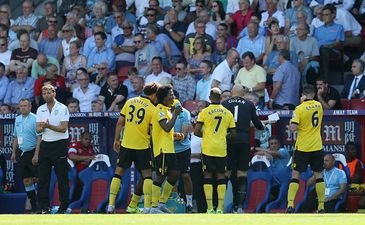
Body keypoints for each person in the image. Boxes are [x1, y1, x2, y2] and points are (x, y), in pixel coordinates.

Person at [107, 82, 160, 214]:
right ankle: (147, 207)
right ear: (154, 94)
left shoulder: (130, 101)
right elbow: (153, 130)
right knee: (147, 176)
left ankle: (111, 205)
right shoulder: (153, 109)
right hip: (142, 146)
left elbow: (120, 122)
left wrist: (116, 139)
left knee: (118, 173)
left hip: (126, 144)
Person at [222, 84, 264, 213]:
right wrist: (263, 126)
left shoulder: (224, 103)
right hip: (243, 141)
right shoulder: (249, 104)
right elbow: (257, 124)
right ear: (243, 93)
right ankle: (239, 206)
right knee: (242, 173)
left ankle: (219, 205)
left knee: (227, 172)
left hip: (228, 139)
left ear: (232, 92)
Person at [194, 88, 236, 214]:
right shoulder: (228, 113)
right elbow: (233, 133)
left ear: (210, 97)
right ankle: (220, 208)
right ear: (220, 97)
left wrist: (207, 136)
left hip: (208, 149)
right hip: (221, 149)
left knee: (207, 175)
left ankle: (210, 208)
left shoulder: (204, 112)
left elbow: (196, 131)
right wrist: (222, 136)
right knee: (221, 176)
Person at [286, 84, 325, 213]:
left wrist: (292, 121)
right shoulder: (319, 106)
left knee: (295, 175)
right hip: (317, 145)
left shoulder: (299, 109)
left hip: (302, 147)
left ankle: (290, 205)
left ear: (302, 95)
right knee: (318, 175)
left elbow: (293, 128)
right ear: (313, 94)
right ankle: (321, 206)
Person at [36, 84, 70, 214]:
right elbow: (38, 129)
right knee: (43, 178)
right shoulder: (40, 109)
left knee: (62, 177)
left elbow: (63, 128)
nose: (46, 95)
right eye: (44, 93)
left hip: (59, 144)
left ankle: (63, 206)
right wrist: (44, 127)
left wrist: (48, 126)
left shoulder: (62, 108)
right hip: (45, 144)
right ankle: (43, 207)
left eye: (48, 93)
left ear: (54, 93)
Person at [150, 84, 182, 213]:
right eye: (171, 95)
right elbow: (166, 127)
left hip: (169, 149)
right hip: (162, 150)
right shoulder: (160, 110)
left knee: (175, 174)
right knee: (160, 176)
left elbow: (166, 132)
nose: (173, 97)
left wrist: (175, 135)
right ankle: (153, 207)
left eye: (173, 94)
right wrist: (175, 114)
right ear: (163, 97)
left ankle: (162, 203)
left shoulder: (167, 110)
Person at [11, 99, 41, 213]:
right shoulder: (17, 119)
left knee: (39, 180)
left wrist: (37, 154)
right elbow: (15, 137)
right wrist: (14, 152)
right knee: (27, 181)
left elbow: (39, 137)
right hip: (21, 153)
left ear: (30, 106)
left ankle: (43, 205)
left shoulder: (35, 118)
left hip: (32, 152)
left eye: (25, 106)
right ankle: (34, 208)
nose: (22, 108)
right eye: (21, 106)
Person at [172, 95, 193, 213]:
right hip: (169, 150)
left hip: (183, 149)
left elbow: (183, 135)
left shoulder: (184, 113)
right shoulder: (163, 112)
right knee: (172, 177)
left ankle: (189, 203)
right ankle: (175, 203)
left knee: (185, 176)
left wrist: (168, 138)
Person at [68, 132, 96, 202]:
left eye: (89, 140)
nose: (88, 141)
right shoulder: (75, 145)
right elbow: (71, 156)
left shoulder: (90, 147)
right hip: (75, 175)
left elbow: (93, 159)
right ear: (81, 138)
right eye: (86, 139)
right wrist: (87, 157)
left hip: (86, 176)